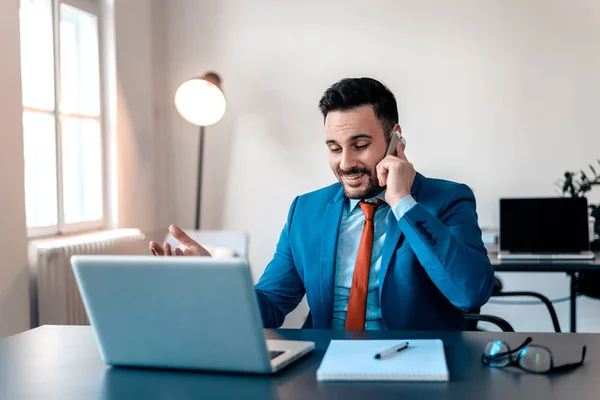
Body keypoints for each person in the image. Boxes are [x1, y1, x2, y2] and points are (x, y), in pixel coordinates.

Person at [150, 77, 494, 331]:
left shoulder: (447, 199)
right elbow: (270, 307)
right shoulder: (305, 211)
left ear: (395, 138)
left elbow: (470, 293)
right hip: (323, 371)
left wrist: (403, 202)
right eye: (333, 147)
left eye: (359, 144)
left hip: (416, 372)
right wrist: (218, 282)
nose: (345, 163)